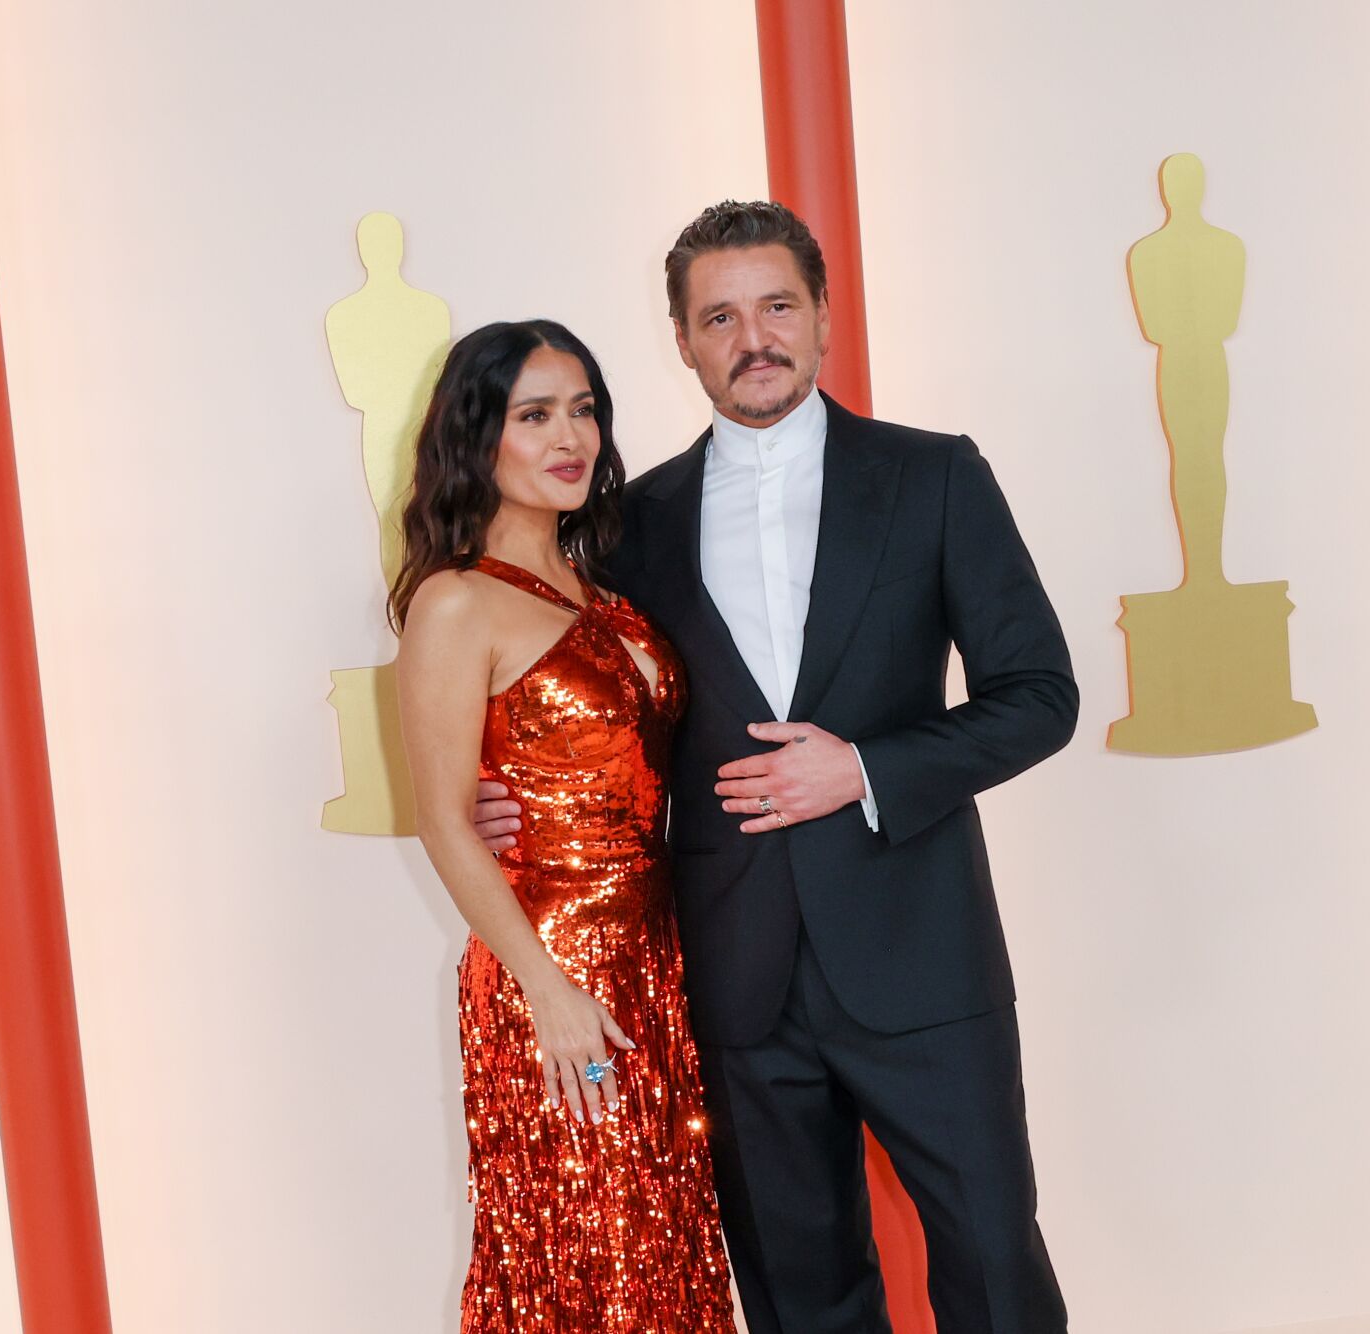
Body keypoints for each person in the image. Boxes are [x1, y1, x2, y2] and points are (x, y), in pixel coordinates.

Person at [474, 202, 1076, 1332]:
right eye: (718, 316)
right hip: (732, 973)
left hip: (923, 963)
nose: (751, 336)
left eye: (775, 306)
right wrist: (502, 787)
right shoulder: (624, 524)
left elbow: (1039, 697)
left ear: (822, 317)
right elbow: (591, 705)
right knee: (798, 1296)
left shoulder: (935, 476)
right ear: (680, 339)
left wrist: (864, 768)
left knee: (994, 1264)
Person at [394, 319, 736, 1331]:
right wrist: (545, 989)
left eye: (581, 409)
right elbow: (445, 820)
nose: (568, 435)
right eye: (533, 414)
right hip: (552, 978)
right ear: (476, 437)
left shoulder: (606, 590)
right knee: (589, 1247)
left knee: (662, 1245)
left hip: (655, 965)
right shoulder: (455, 603)